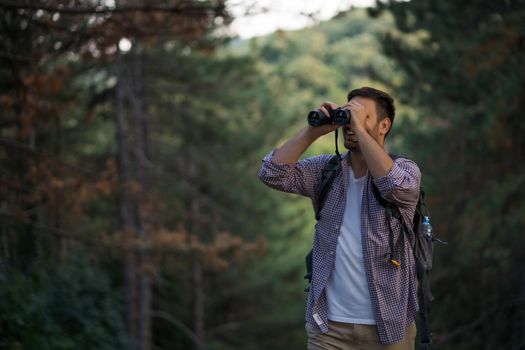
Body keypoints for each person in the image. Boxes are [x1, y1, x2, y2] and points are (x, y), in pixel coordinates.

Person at [258, 87, 420, 349]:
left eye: (362, 116)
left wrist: (358, 128)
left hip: (389, 327)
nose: (351, 124)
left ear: (384, 125)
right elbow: (271, 173)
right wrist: (313, 131)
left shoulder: (405, 170)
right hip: (328, 328)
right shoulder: (326, 171)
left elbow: (394, 186)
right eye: (349, 113)